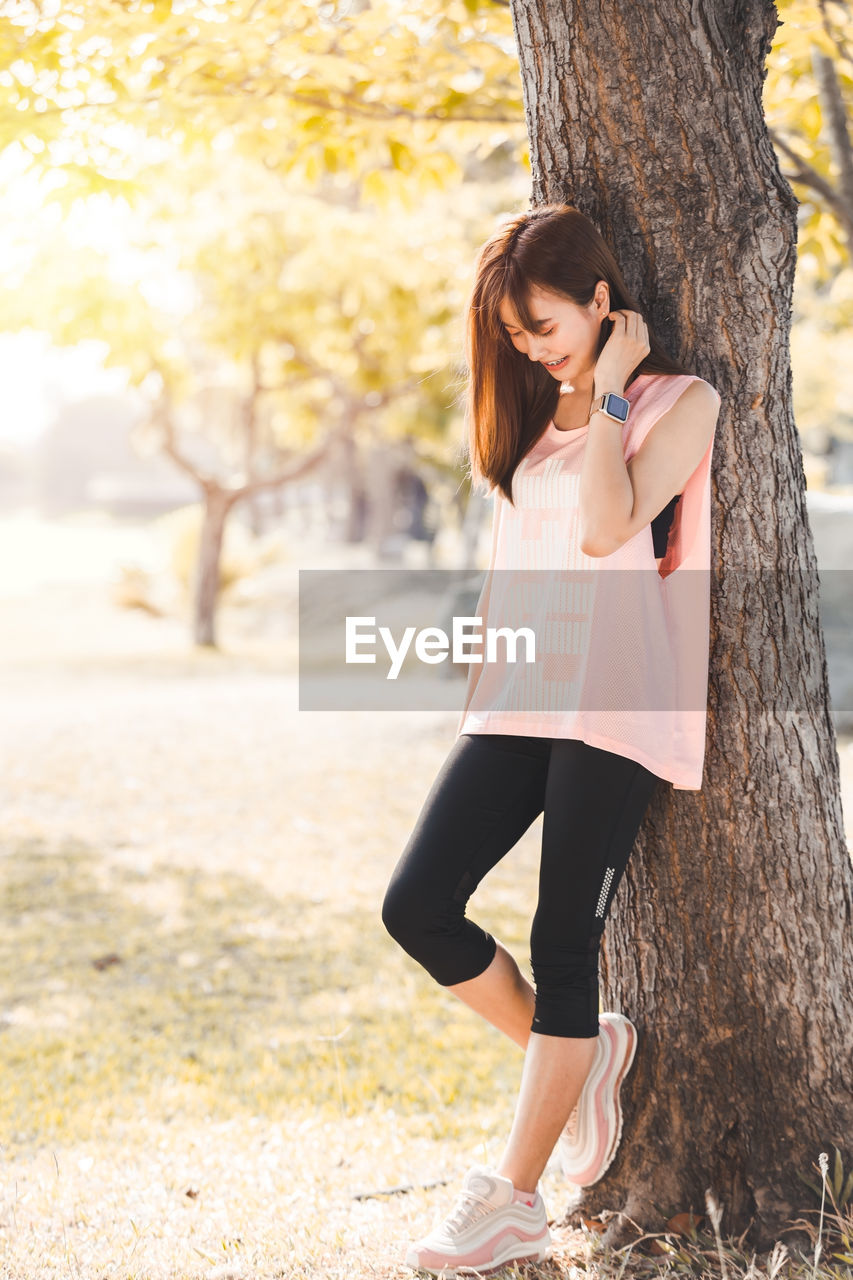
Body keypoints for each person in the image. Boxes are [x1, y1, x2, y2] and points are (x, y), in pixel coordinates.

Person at [381, 203, 721, 1276]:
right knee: (416, 905)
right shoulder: (532, 412)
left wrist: (612, 393)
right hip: (521, 694)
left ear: (599, 298)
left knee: (564, 940)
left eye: (543, 323)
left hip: (614, 696)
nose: (531, 347)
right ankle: (576, 1053)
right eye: (515, 335)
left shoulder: (680, 400)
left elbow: (604, 525)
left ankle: (512, 1203)